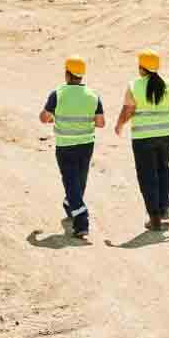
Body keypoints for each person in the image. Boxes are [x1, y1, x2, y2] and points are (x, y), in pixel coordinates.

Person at [114, 50, 169, 231]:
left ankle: (155, 218)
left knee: (147, 176)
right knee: (163, 169)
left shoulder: (134, 85)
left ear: (141, 68)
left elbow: (128, 111)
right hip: (166, 136)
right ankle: (164, 206)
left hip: (143, 138)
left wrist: (119, 124)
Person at [40, 56, 106, 239]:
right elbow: (100, 123)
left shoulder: (58, 94)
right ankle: (71, 204)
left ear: (67, 74)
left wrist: (57, 118)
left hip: (65, 145)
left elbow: (44, 118)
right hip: (86, 145)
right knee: (80, 178)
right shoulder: (93, 95)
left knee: (70, 180)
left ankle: (81, 220)